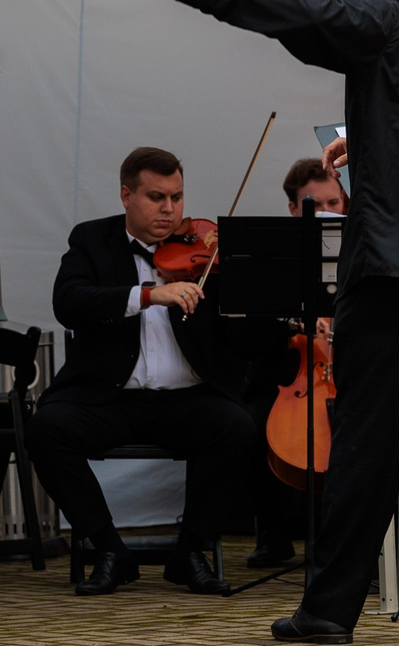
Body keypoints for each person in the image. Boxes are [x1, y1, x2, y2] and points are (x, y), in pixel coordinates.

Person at [165, 0, 399, 646]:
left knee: (366, 440)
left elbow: (313, 20)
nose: (336, 12)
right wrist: (380, 134)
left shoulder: (385, 14)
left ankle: (328, 609)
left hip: (397, 269)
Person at [32, 146, 259, 597]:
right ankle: (110, 549)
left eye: (176, 197)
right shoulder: (91, 241)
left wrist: (238, 293)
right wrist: (149, 295)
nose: (169, 209)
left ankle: (189, 552)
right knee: (47, 430)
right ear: (125, 195)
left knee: (237, 427)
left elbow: (239, 338)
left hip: (185, 399)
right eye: (156, 197)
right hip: (110, 397)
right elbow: (69, 302)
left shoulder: (205, 251)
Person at [236, 155, 351, 569]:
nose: (326, 213)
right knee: (247, 422)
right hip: (285, 375)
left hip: (347, 370)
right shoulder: (270, 253)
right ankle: (273, 534)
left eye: (333, 203)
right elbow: (248, 337)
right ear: (292, 209)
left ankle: (340, 536)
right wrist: (287, 321)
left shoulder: (361, 250)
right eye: (313, 205)